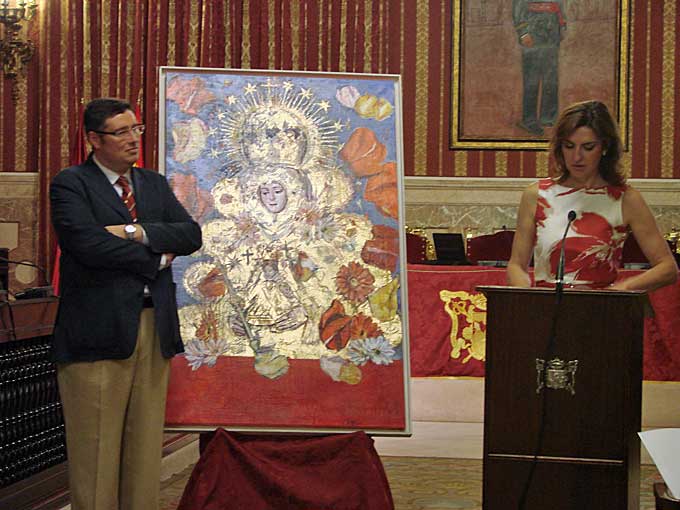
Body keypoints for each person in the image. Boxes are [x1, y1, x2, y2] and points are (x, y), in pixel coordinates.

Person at [50, 98, 202, 510]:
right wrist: (155, 257)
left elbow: (190, 235)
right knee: (96, 452)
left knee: (144, 448)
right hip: (97, 333)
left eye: (136, 129)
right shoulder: (71, 183)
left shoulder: (152, 183)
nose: (133, 139)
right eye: (121, 132)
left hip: (154, 328)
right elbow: (87, 244)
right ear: (94, 139)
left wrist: (133, 232)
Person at [507, 100, 678, 291]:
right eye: (569, 146)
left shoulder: (625, 199)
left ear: (605, 147)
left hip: (602, 306)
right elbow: (516, 265)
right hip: (544, 304)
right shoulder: (537, 195)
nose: (577, 157)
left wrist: (615, 293)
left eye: (588, 147)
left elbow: (667, 268)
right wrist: (525, 295)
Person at [512, 0, 567, 136]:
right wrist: (523, 32)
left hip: (552, 30)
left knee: (551, 78)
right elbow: (518, 7)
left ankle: (548, 117)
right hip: (533, 29)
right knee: (532, 78)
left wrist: (562, 25)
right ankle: (529, 120)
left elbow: (560, 4)